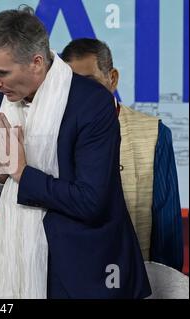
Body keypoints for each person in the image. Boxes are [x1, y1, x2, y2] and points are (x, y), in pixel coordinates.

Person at [0, 7, 151, 298]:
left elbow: (92, 202)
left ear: (36, 62)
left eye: (1, 73)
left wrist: (22, 172)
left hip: (90, 276)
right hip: (19, 270)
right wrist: (2, 174)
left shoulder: (92, 102)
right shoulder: (1, 100)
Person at [61, 38, 183, 272]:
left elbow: (166, 224)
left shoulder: (154, 133)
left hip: (137, 277)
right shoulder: (53, 131)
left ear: (112, 78)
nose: (79, 95)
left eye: (89, 84)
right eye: (70, 86)